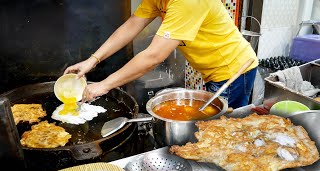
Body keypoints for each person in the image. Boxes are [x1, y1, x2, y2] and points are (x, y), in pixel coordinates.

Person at [64, 0, 259, 109]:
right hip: (214, 71)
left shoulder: (189, 2)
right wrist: (93, 60)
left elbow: (153, 57)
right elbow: (133, 24)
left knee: (222, 131)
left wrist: (104, 85)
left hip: (234, 70)